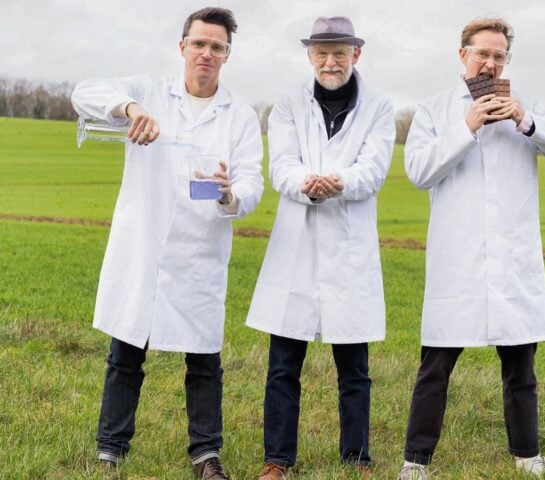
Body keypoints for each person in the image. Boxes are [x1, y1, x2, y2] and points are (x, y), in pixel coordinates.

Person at [71, 7, 263, 479]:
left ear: (227, 55)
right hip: (145, 247)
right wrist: (131, 110)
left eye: (217, 47)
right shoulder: (151, 92)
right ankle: (110, 448)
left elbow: (253, 182)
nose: (206, 53)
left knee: (203, 362)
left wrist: (228, 192)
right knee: (126, 351)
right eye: (199, 43)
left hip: (199, 252)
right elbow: (83, 92)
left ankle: (206, 456)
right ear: (183, 47)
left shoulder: (240, 117)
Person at [396, 17, 545, 480]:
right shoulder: (436, 110)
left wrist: (526, 121)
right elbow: (419, 172)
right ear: (462, 55)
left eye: (499, 55)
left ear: (506, 60)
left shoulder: (526, 107)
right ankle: (416, 461)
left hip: (512, 260)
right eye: (482, 52)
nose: (490, 61)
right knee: (435, 366)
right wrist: (466, 127)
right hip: (456, 261)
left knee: (521, 370)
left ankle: (527, 456)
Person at [245, 16, 395, 480]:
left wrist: (340, 181)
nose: (331, 62)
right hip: (298, 244)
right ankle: (278, 460)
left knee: (354, 368)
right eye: (322, 53)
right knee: (283, 365)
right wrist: (307, 184)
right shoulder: (288, 103)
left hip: (349, 246)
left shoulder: (380, 107)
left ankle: (357, 458)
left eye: (340, 53)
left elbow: (373, 169)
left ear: (357, 54)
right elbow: (282, 166)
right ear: (310, 55)